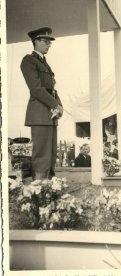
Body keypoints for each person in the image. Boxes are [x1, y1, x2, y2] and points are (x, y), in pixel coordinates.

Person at [20, 27, 63, 179]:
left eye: (49, 42)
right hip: (39, 112)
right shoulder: (29, 60)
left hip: (50, 114)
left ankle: (49, 188)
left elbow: (52, 89)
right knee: (42, 155)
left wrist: (59, 105)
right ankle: (39, 189)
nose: (48, 44)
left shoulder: (44, 63)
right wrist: (55, 105)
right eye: (45, 41)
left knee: (51, 153)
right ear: (36, 42)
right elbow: (36, 89)